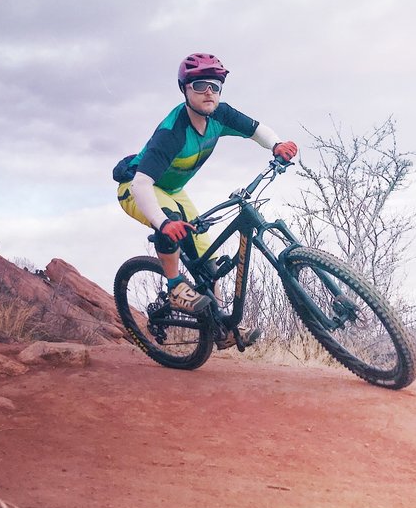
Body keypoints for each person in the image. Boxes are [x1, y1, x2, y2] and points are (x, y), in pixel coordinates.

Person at [113, 52, 298, 348]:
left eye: (214, 85)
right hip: (135, 189)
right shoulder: (172, 132)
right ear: (185, 90)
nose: (208, 92)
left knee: (208, 261)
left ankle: (218, 328)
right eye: (199, 86)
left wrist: (277, 144)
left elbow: (256, 130)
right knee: (171, 224)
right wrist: (162, 222)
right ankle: (174, 286)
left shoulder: (220, 115)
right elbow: (142, 184)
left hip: (172, 191)